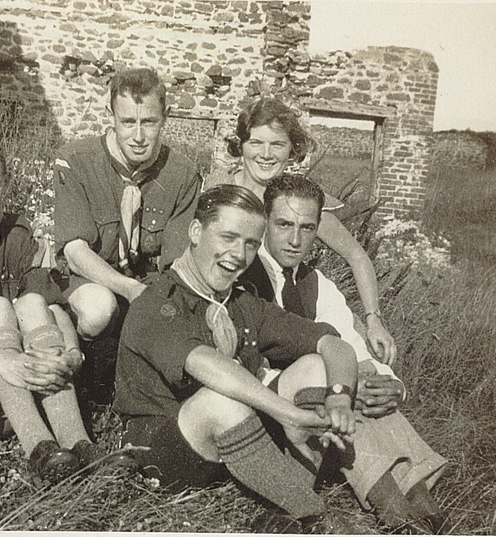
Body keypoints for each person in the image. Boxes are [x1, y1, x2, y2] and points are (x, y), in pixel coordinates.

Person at [113, 184, 360, 533]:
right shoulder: (155, 300)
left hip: (227, 448)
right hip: (161, 453)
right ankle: (310, 513)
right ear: (196, 232)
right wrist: (288, 414)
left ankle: (285, 509)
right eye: (228, 237)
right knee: (221, 399)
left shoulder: (242, 303)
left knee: (315, 366)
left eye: (251, 244)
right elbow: (207, 365)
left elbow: (334, 344)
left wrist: (339, 398)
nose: (238, 254)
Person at [0, 134, 134, 485]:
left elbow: (53, 307)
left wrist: (71, 354)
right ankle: (38, 446)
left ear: (6, 183)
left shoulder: (15, 230)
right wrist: (2, 360)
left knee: (33, 302)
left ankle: (78, 443)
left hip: (15, 360)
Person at [240, 173, 448, 532]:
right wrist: (342, 385)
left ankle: (425, 506)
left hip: (316, 400)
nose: (294, 240)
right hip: (266, 405)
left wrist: (391, 386)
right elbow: (246, 367)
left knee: (366, 383)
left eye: (307, 228)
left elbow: (352, 343)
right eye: (284, 224)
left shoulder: (315, 283)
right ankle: (395, 512)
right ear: (265, 221)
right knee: (339, 385)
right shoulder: (245, 274)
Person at [204, 98, 397, 366]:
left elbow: (356, 255)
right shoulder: (218, 189)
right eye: (256, 143)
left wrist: (374, 320)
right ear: (242, 146)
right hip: (230, 315)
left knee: (367, 361)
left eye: (277, 144)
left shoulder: (300, 202)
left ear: (292, 150)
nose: (266, 154)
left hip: (289, 316)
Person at [53, 67, 202, 341]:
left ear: (165, 117)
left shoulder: (183, 174)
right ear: (111, 116)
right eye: (128, 122)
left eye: (149, 122)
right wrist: (129, 289)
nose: (138, 136)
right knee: (97, 311)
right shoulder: (75, 161)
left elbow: (178, 263)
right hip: (88, 280)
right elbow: (75, 252)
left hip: (150, 286)